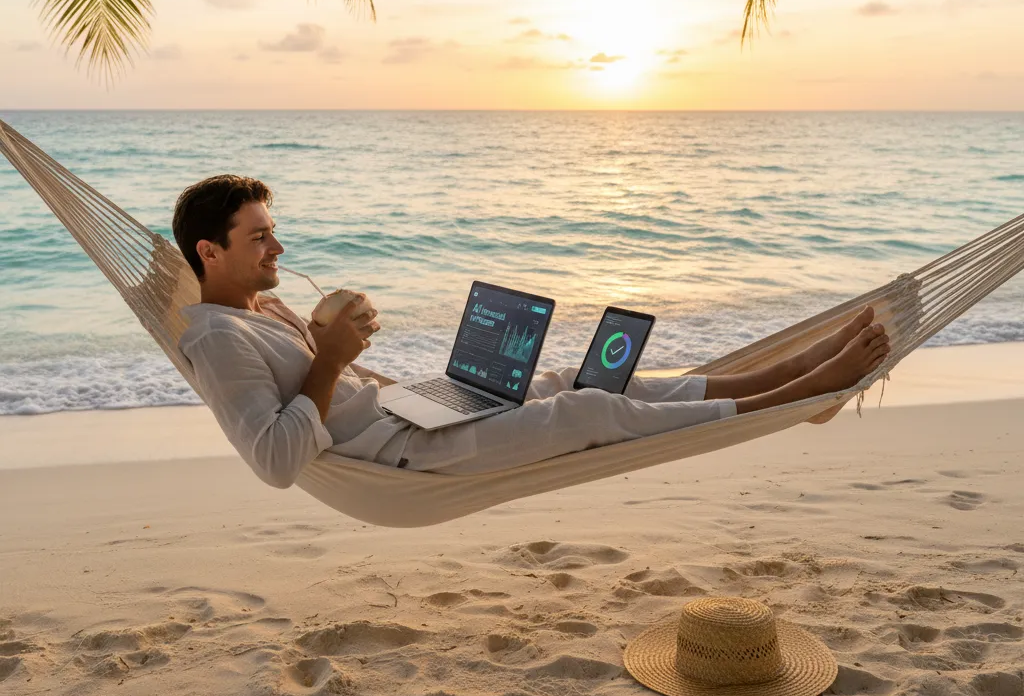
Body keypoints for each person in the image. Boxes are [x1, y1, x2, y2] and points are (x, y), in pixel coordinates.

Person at [173, 176, 890, 489]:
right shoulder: (215, 339)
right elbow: (274, 461)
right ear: (209, 252)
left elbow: (333, 387)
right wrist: (331, 359)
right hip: (407, 459)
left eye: (277, 233)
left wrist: (369, 364)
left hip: (410, 415)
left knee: (592, 381)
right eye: (261, 238)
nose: (280, 250)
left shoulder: (259, 311)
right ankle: (805, 394)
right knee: (590, 410)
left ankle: (786, 381)